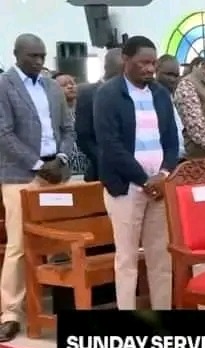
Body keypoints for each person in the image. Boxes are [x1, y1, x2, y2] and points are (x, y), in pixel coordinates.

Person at [93, 36, 178, 310]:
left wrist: (164, 174)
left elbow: (172, 140)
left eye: (153, 62)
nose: (149, 68)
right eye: (143, 62)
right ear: (125, 61)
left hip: (160, 186)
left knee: (161, 259)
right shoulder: (107, 95)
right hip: (126, 188)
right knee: (127, 259)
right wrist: (144, 179)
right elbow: (111, 145)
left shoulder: (161, 94)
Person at [0, 34, 75, 342]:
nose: (39, 62)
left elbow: (67, 128)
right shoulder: (4, 85)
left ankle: (59, 306)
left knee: (59, 241)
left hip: (55, 173)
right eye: (33, 56)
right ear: (16, 54)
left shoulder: (51, 86)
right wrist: (35, 163)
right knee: (18, 245)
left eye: (43, 56)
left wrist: (60, 158)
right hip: (21, 174)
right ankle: (10, 313)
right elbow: (3, 133)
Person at [75, 48, 123, 181]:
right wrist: (106, 160)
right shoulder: (88, 93)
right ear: (107, 68)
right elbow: (84, 136)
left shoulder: (130, 92)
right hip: (101, 171)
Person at [53, 72, 87, 177]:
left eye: (72, 83)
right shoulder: (52, 114)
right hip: (64, 170)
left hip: (88, 169)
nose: (70, 86)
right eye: (64, 85)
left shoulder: (86, 110)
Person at [155, 54, 185, 160]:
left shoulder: (175, 99)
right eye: (168, 74)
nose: (172, 80)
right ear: (156, 71)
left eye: (176, 76)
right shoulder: (152, 100)